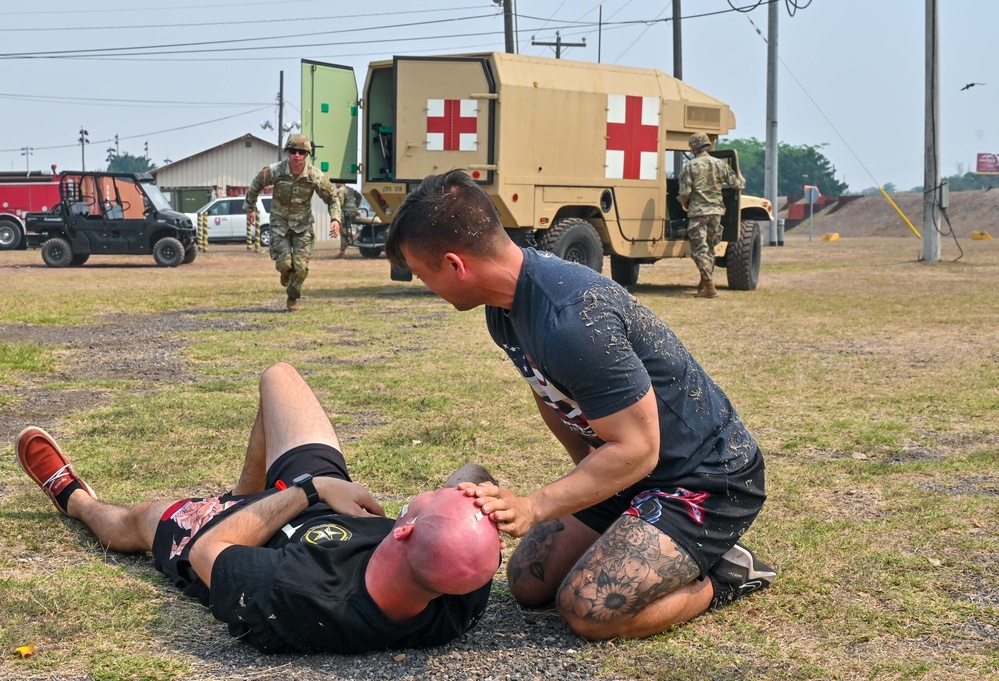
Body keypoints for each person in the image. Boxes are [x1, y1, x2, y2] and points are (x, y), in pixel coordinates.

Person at [385, 170, 775, 642]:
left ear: (454, 264)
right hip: (635, 472)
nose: (427, 287)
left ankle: (723, 576)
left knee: (588, 610)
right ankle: (645, 535)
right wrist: (589, 474)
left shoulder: (570, 321)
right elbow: (546, 389)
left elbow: (637, 450)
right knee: (528, 582)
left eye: (424, 275)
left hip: (705, 479)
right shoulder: (503, 307)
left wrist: (536, 505)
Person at [16, 361, 501, 655]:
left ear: (402, 530)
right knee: (279, 378)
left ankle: (74, 498)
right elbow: (469, 477)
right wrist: (485, 499)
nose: (437, 489)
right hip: (322, 503)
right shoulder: (460, 584)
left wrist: (312, 490)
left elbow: (210, 551)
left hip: (249, 535)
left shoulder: (296, 594)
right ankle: (241, 497)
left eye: (429, 499)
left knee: (140, 520)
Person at [245, 134, 343, 311]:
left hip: (302, 226)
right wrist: (250, 207)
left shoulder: (315, 176)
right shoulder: (275, 171)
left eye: (301, 152)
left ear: (307, 154)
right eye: (293, 151)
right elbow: (256, 184)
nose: (297, 155)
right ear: (288, 152)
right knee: (285, 264)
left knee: (300, 268)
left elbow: (332, 198)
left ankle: (293, 298)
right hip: (279, 224)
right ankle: (285, 272)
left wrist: (335, 218)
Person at [676, 131, 746, 299]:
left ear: (693, 148)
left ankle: (710, 286)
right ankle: (704, 283)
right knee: (710, 249)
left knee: (699, 250)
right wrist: (741, 175)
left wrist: (683, 202)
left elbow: (684, 191)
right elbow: (738, 184)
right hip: (716, 212)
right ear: (707, 145)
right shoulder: (720, 164)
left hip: (698, 213)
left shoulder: (691, 166)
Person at [333, 182, 363, 259]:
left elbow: (341, 203)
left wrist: (338, 212)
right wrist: (356, 206)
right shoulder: (350, 189)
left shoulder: (341, 190)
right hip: (353, 211)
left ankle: (353, 237)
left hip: (346, 212)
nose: (336, 184)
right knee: (345, 229)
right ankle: (342, 251)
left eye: (337, 182)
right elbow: (359, 196)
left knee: (342, 230)